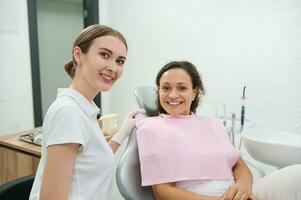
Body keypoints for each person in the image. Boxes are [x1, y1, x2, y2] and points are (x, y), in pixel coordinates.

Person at [135, 61, 301, 200]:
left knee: (296, 174)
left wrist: (243, 185)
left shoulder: (211, 124)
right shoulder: (152, 128)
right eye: (165, 88)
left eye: (182, 88)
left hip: (237, 195)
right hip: (205, 198)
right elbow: (163, 192)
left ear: (194, 92)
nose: (172, 95)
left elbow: (238, 164)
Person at [29, 24, 144, 200]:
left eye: (120, 61)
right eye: (104, 55)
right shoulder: (69, 112)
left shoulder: (83, 108)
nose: (113, 67)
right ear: (78, 54)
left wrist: (122, 133)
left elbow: (90, 161)